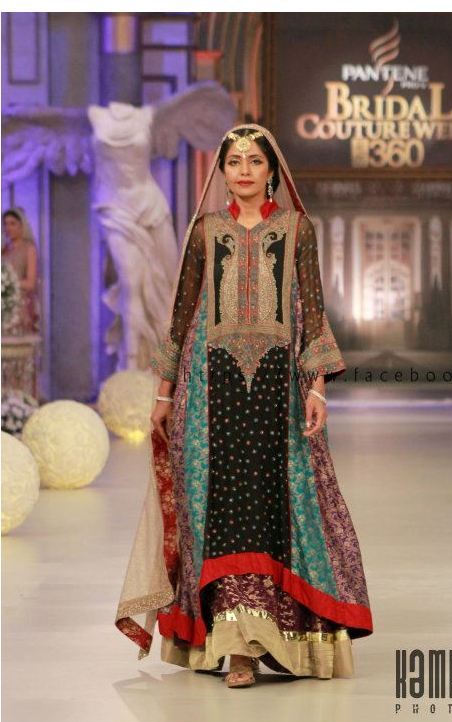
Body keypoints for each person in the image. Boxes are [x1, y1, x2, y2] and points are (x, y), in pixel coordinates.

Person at [115, 124, 372, 689]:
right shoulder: (206, 232)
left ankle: (279, 636)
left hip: (278, 393)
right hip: (211, 391)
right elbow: (182, 315)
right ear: (223, 171)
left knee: (271, 508)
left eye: (255, 161)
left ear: (272, 170)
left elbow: (312, 313)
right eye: (235, 161)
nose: (245, 170)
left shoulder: (297, 229)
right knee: (223, 509)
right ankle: (237, 647)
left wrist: (317, 388)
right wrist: (163, 394)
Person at [2, 207, 41, 336]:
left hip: (21, 307)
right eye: (5, 224)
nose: (8, 228)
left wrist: (8, 283)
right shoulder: (4, 251)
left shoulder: (29, 249)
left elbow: (31, 283)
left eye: (12, 224)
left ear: (21, 225)